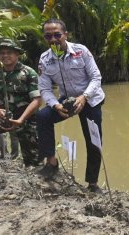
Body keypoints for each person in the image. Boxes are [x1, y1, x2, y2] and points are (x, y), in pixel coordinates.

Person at [36, 19, 106, 193]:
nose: (53, 39)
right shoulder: (45, 59)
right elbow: (44, 88)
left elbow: (96, 77)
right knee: (43, 117)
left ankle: (92, 183)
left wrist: (84, 97)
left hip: (90, 100)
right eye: (48, 36)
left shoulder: (81, 51)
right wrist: (55, 105)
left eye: (57, 35)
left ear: (65, 35)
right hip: (66, 100)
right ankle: (51, 162)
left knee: (94, 141)